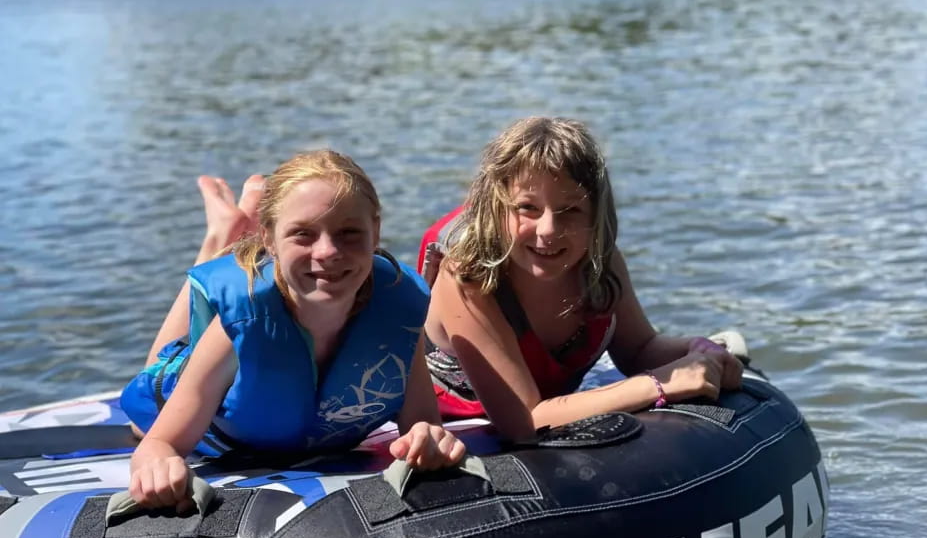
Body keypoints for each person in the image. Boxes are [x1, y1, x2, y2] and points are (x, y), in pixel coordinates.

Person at [123, 150, 465, 510]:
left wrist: (430, 439)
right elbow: (159, 444)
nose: (328, 251)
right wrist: (158, 465)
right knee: (151, 395)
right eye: (303, 234)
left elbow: (423, 424)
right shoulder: (245, 319)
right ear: (269, 239)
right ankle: (222, 236)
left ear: (375, 230)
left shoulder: (399, 309)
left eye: (349, 233)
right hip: (205, 405)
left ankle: (241, 227)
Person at [420, 116, 743, 440]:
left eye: (570, 210)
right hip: (463, 424)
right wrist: (661, 384)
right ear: (496, 209)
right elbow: (525, 421)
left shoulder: (600, 260)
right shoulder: (467, 276)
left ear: (595, 215)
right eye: (528, 208)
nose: (549, 229)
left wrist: (699, 352)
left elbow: (638, 350)